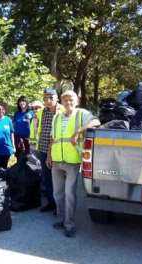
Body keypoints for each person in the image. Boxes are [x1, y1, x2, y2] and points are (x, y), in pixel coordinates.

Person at [47, 90, 100, 237]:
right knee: (57, 193)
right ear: (62, 102)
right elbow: (53, 138)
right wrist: (49, 155)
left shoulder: (81, 114)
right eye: (65, 100)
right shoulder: (57, 117)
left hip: (72, 160)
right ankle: (62, 219)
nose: (68, 102)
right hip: (57, 159)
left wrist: (78, 131)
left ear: (76, 101)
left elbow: (96, 122)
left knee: (69, 193)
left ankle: (69, 224)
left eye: (71, 100)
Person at [35, 88, 64, 213]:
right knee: (46, 178)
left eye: (51, 98)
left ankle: (60, 206)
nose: (48, 100)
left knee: (58, 179)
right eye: (46, 98)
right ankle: (51, 202)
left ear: (57, 98)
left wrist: (50, 154)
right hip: (42, 148)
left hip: (57, 150)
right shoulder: (42, 111)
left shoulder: (63, 111)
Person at [0, 102, 15, 169]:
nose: (1, 110)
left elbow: (11, 133)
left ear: (5, 110)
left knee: (3, 169)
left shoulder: (8, 120)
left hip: (6, 150)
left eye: (2, 109)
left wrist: (13, 146)